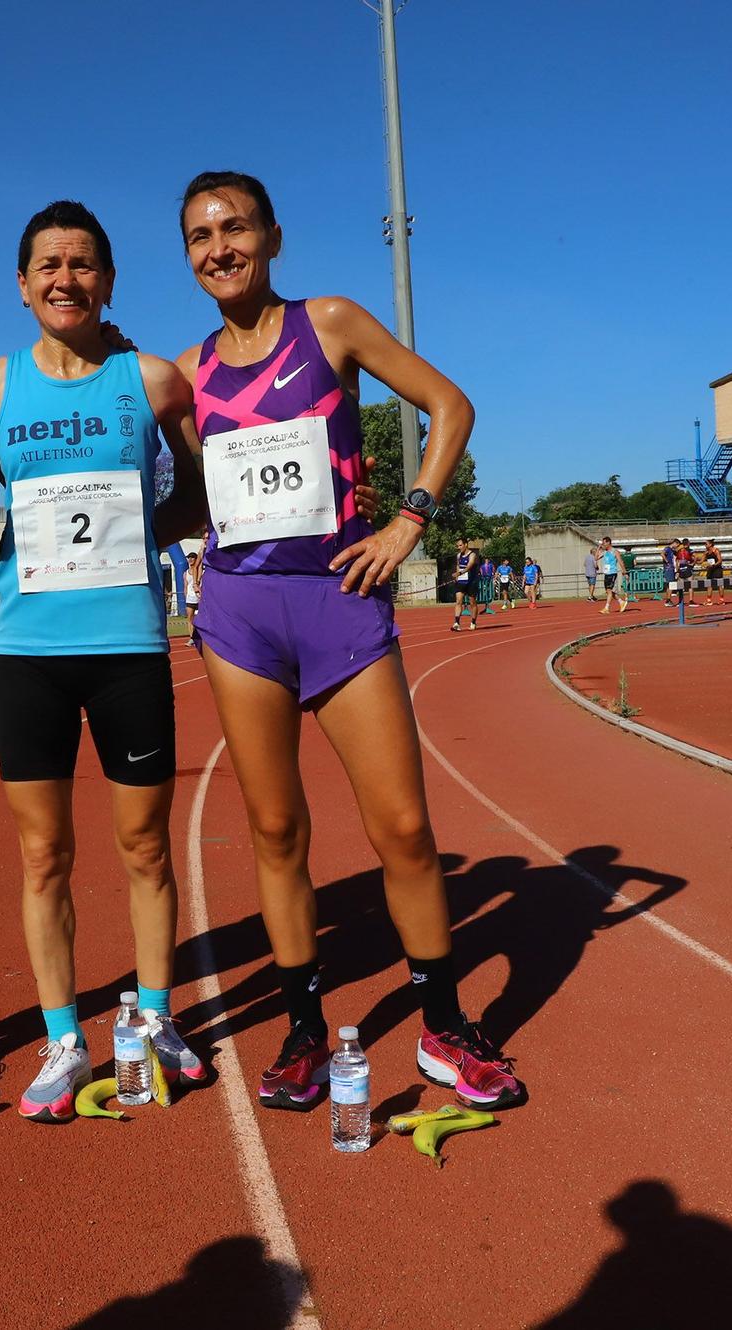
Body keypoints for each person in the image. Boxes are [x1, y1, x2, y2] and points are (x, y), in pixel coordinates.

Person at [175, 170, 523, 1113]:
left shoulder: (329, 322)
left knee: (403, 829)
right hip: (241, 615)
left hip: (340, 600)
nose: (220, 249)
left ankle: (445, 1027)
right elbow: (175, 491)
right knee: (277, 831)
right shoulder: (187, 372)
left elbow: (451, 407)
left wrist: (411, 520)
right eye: (201, 237)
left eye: (236, 228)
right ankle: (301, 1032)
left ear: (273, 235)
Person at [0, 201, 211, 1123]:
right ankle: (66, 1038)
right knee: (44, 857)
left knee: (146, 847)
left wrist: (137, 533)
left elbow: (195, 495)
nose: (65, 279)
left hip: (128, 647)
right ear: (24, 284)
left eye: (82, 264)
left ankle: (153, 1019)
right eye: (48, 265)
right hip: (29, 649)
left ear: (108, 282)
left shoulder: (150, 380)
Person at [450, 538, 479, 631]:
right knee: (458, 601)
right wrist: (457, 577)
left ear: (465, 544)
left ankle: (473, 622)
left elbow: (469, 566)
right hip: (461, 582)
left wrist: (460, 573)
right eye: (457, 546)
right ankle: (457, 623)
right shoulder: (458, 555)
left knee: (472, 603)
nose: (459, 547)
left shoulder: (472, 555)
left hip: (471, 582)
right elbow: (458, 566)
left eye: (460, 545)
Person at [598, 537, 629, 614]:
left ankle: (606, 608)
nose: (603, 544)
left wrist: (624, 572)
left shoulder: (615, 551)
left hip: (612, 573)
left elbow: (620, 562)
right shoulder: (604, 552)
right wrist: (599, 548)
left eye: (604, 543)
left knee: (609, 591)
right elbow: (596, 558)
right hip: (606, 573)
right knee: (609, 591)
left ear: (608, 542)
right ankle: (621, 602)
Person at [181, 548, 203, 629]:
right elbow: (185, 586)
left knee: (201, 619)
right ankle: (192, 638)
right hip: (190, 598)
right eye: (189, 557)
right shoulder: (185, 573)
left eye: (192, 557)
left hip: (200, 598)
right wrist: (186, 597)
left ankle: (202, 638)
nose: (190, 559)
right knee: (190, 619)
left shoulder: (201, 571)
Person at [701, 539, 724, 606]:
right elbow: (701, 561)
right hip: (710, 570)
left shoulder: (716, 551)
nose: (705, 545)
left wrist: (713, 565)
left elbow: (720, 561)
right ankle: (709, 601)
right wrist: (694, 560)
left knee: (720, 585)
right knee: (709, 585)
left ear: (710, 544)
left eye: (706, 544)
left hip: (717, 569)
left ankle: (722, 600)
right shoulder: (706, 553)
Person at [661, 538, 680, 609]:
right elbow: (662, 553)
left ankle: (668, 600)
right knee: (671, 585)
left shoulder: (673, 551)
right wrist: (667, 561)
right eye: (677, 545)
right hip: (669, 569)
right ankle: (668, 600)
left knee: (669, 585)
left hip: (671, 569)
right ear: (675, 543)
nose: (677, 547)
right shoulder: (668, 548)